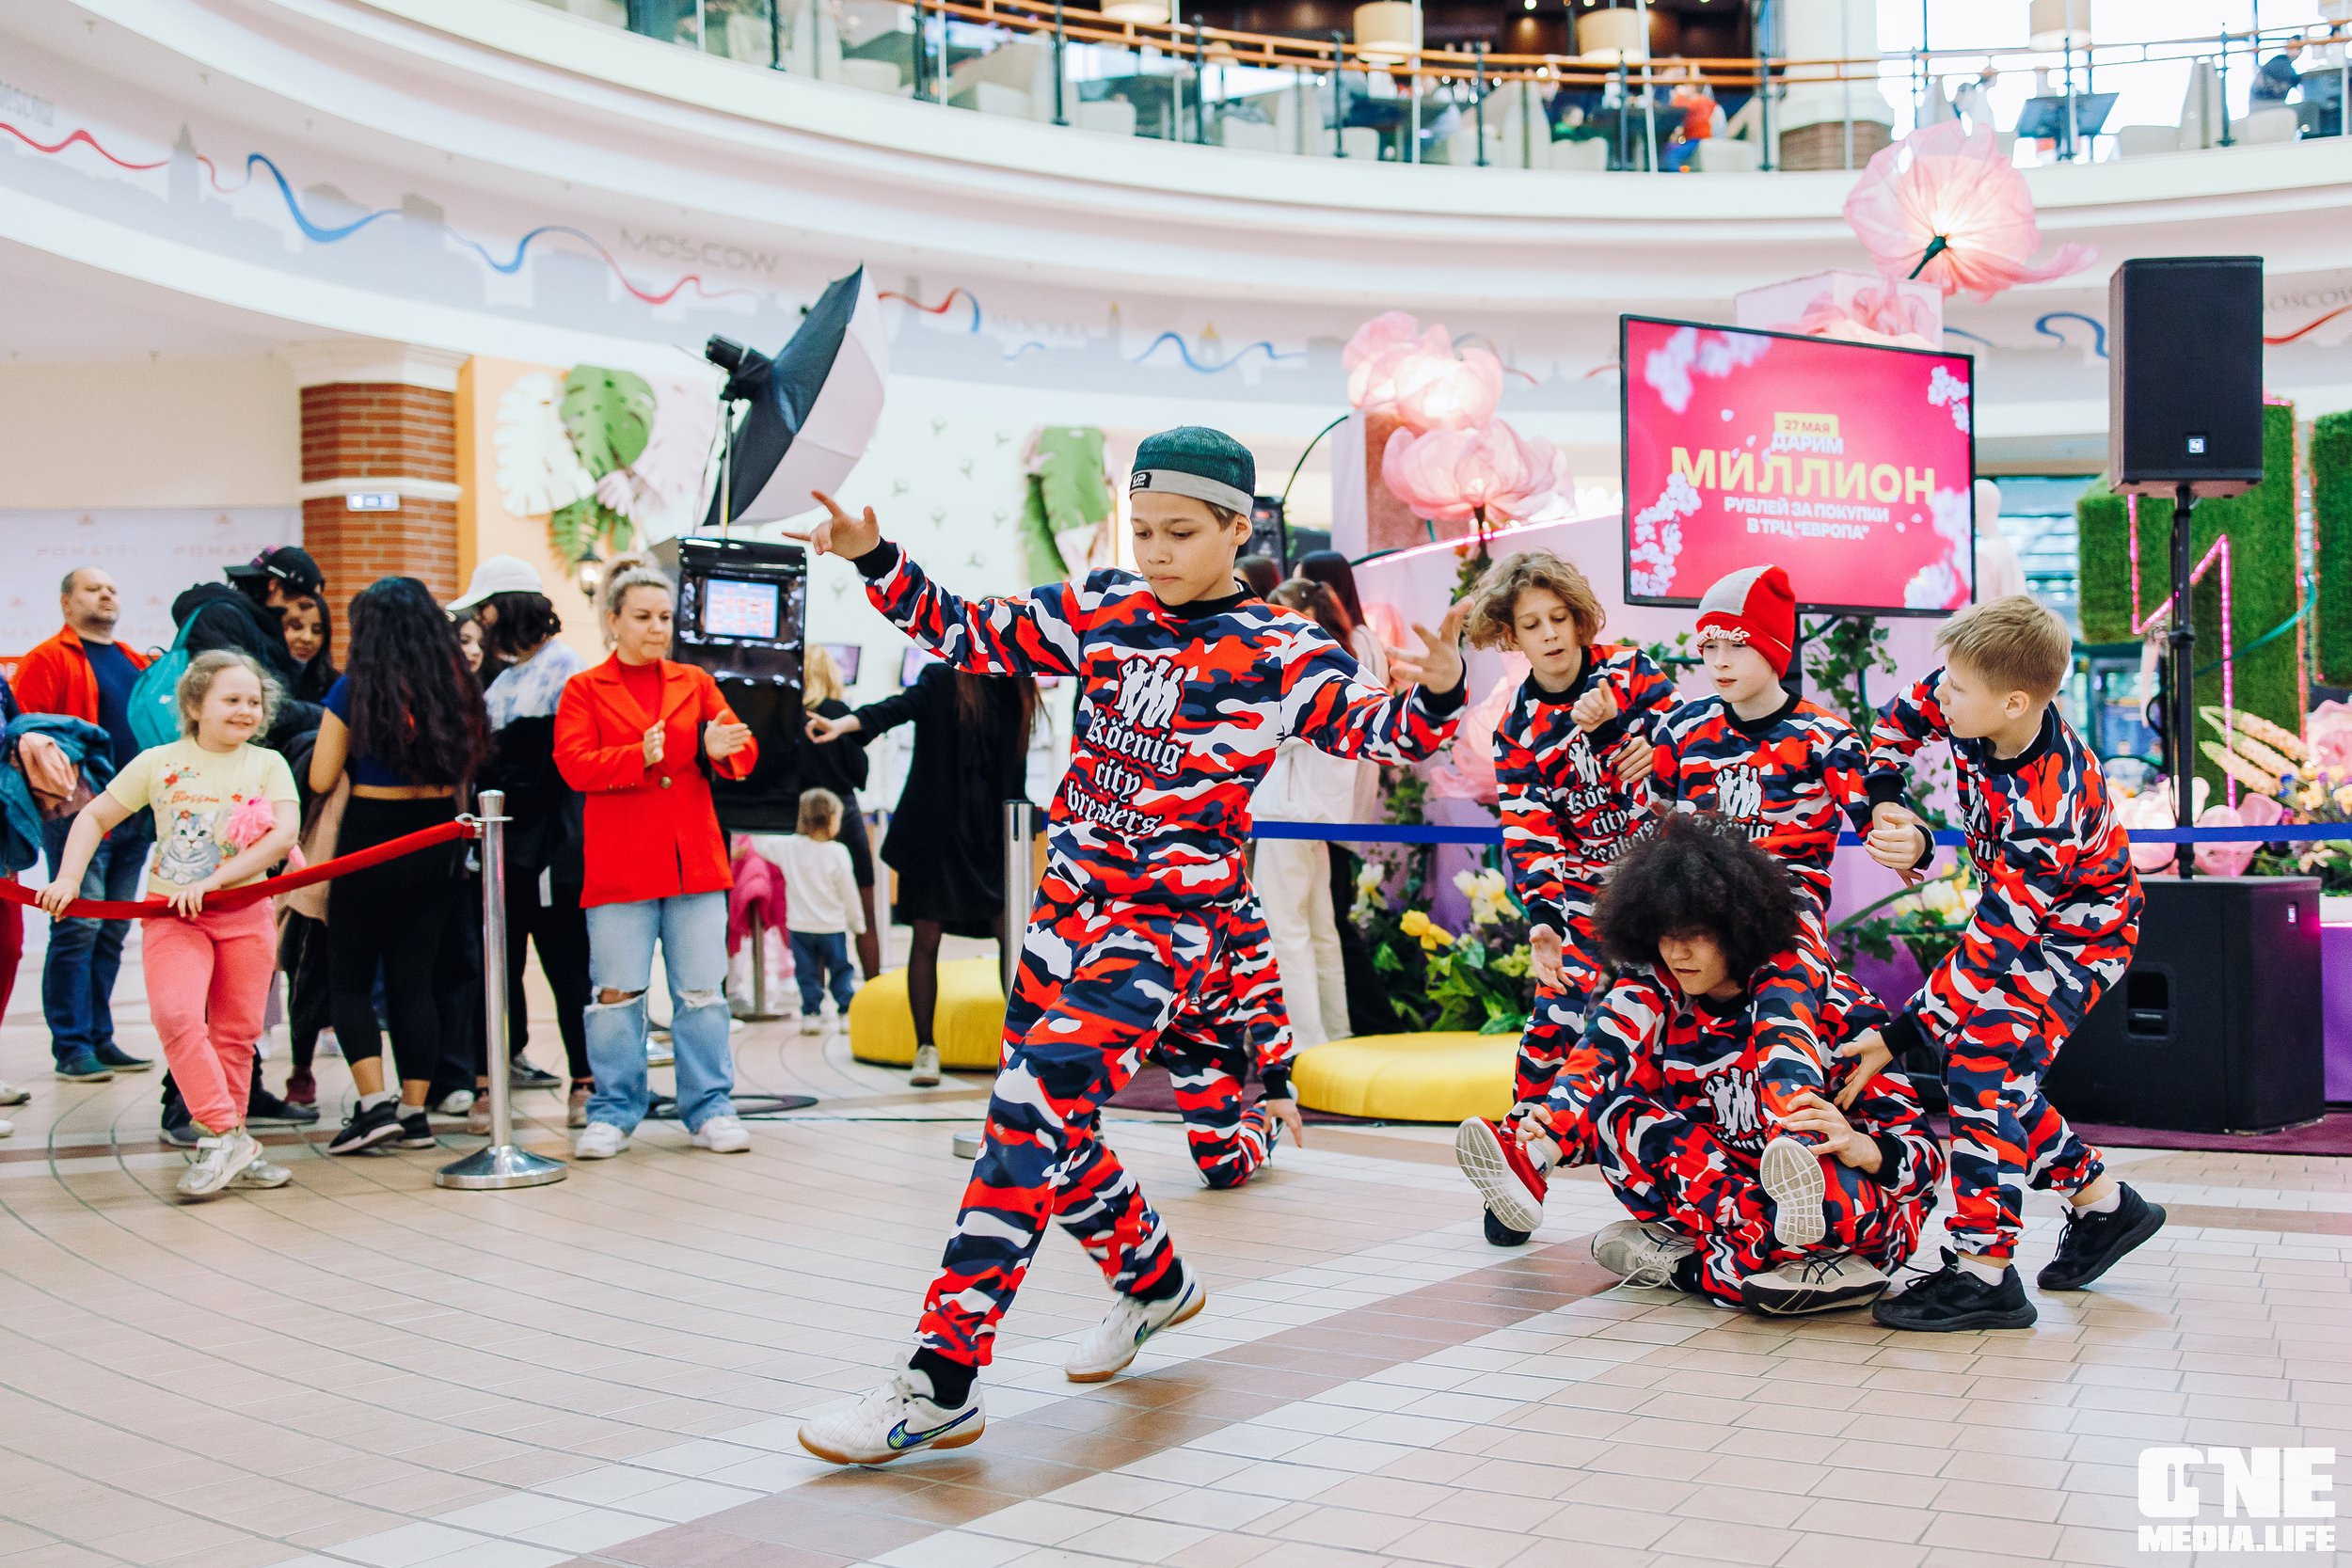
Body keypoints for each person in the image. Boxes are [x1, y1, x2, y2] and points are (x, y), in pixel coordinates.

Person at [788, 425, 1469, 1466]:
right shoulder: (1101, 605)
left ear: (1239, 529)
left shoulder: (1280, 651)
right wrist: (873, 556)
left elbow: (1392, 732)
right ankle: (1153, 1285)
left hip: (1165, 929)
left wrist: (1438, 688)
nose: (1154, 548)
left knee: (1027, 1109)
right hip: (1065, 915)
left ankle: (941, 1379)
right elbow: (967, 632)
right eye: (1141, 526)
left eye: (1180, 531)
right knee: (1050, 1133)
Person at [1857, 594, 2166, 1331]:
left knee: (1984, 1067)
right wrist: (1889, 806)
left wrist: (1897, 1036)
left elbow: (1994, 946)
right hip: (2022, 914)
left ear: (2015, 700)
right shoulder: (1972, 695)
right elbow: (1895, 727)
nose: (1943, 694)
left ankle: (1984, 1273)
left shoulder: (2048, 802)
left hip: (2080, 933)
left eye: (1957, 689)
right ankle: (2103, 1206)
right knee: (1990, 1072)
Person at [1503, 816, 1942, 1316]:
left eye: (1696, 936)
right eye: (1664, 937)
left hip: (1846, 1214)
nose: (1678, 953)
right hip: (1746, 1199)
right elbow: (1613, 1121)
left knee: (1823, 1175)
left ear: (1739, 930)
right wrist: (1547, 1137)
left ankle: (1690, 1265)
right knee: (1614, 1113)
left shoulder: (1837, 1008)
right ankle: (1774, 1270)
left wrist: (1864, 1148)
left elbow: (1926, 1167)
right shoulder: (1668, 1007)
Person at [1451, 550, 1677, 1246]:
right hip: (1583, 902)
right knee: (1549, 1033)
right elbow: (1529, 830)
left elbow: (1693, 757)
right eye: (1531, 624)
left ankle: (1669, 1189)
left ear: (1580, 620)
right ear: (1510, 637)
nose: (1549, 634)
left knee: (1648, 1036)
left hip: (1666, 890)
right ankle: (1522, 1174)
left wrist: (1646, 747)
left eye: (1558, 618)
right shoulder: (1517, 728)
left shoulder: (1632, 673)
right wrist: (1545, 920)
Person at [38, 652, 300, 1198]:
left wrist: (214, 881)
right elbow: (94, 816)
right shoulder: (159, 762)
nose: (245, 711)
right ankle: (224, 1135)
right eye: (231, 700)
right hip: (171, 917)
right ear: (195, 705)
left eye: (254, 701)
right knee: (177, 1017)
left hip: (246, 914)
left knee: (237, 1036)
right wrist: (68, 879)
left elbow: (282, 835)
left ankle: (228, 1143)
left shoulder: (268, 763)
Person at [554, 562, 758, 1160]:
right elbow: (573, 765)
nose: (656, 628)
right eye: (642, 617)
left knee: (701, 993)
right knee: (616, 995)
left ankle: (711, 1106)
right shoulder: (584, 689)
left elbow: (742, 748)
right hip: (620, 867)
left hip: (693, 861)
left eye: (665, 618)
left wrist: (725, 749)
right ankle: (613, 1109)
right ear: (613, 620)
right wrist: (637, 757)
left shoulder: (694, 681)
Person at [313, 578, 490, 1156]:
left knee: (351, 977)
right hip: (438, 836)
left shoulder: (353, 690)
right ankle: (415, 1114)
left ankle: (374, 1106)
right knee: (417, 979)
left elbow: (319, 776)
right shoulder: (456, 687)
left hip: (371, 835)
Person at [804, 661, 1034, 1089]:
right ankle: (925, 1048)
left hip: (992, 836)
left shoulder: (1019, 689)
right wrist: (844, 725)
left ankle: (1017, 1046)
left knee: (1012, 936)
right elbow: (897, 707)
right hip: (936, 835)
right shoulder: (942, 678)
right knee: (926, 937)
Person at [1645, 565, 1870, 944]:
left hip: (1785, 910)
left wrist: (1912, 843)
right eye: (1710, 646)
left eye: (1737, 644)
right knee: (1633, 992)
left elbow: (1877, 820)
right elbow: (1653, 814)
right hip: (1690, 906)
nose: (1720, 661)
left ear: (1773, 648)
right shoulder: (1682, 727)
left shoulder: (1828, 739)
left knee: (1785, 998)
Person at [10, 567, 156, 1081]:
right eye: (95, 588)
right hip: (77, 815)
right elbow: (23, 736)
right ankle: (72, 1047)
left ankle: (100, 1036)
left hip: (136, 811)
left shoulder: (134, 659)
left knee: (113, 928)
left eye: (113, 588)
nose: (108, 594)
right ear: (67, 603)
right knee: (78, 926)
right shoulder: (48, 658)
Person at [463, 557, 593, 1123]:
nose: (483, 621)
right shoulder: (505, 676)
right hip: (500, 849)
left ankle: (584, 1079)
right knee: (500, 965)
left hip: (550, 849)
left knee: (568, 966)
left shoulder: (567, 671)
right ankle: (494, 1074)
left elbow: (552, 773)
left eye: (487, 608)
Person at [1250, 579, 1359, 1049]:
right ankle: (1333, 1035)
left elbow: (1273, 731)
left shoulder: (1306, 667)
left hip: (1286, 815)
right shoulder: (1340, 662)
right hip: (1311, 816)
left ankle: (1305, 1046)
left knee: (1288, 930)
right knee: (1318, 930)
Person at [793, 644, 881, 978]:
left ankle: (813, 1001)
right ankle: (872, 987)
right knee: (864, 912)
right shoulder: (837, 713)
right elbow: (860, 773)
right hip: (843, 813)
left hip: (800, 818)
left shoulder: (788, 714)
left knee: (809, 911)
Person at [173, 546, 322, 699]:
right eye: (303, 606)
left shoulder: (260, 625)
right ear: (274, 586)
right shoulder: (221, 618)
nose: (303, 616)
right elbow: (240, 697)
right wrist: (319, 715)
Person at [776, 787, 865, 1034]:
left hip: (800, 927)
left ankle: (811, 1013)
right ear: (832, 818)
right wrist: (857, 923)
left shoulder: (790, 847)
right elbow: (849, 891)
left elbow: (761, 842)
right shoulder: (838, 852)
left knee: (806, 974)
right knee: (841, 970)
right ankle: (845, 1011)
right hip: (832, 928)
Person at [280, 594, 338, 704]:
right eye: (297, 626)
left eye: (316, 630)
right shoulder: (258, 680)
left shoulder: (335, 687)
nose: (307, 638)